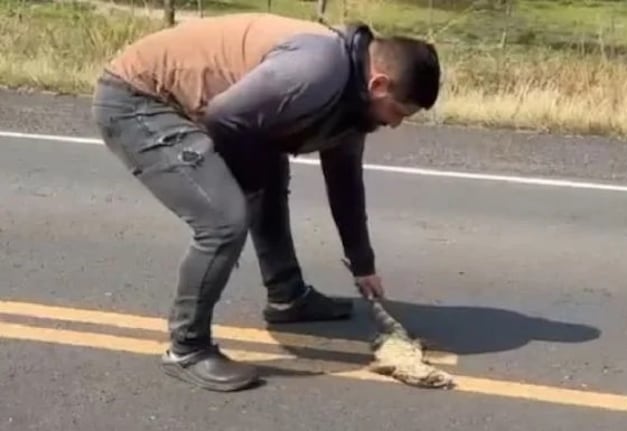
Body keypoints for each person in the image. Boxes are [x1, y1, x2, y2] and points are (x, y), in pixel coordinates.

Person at [90, 12, 441, 392]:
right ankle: (186, 348)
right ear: (379, 84)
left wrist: (362, 263)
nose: (395, 125)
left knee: (267, 173)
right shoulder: (317, 71)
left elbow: (344, 181)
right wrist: (243, 185)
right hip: (138, 99)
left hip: (214, 109)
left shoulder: (354, 103)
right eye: (400, 112)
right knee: (224, 221)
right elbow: (224, 117)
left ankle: (287, 298)